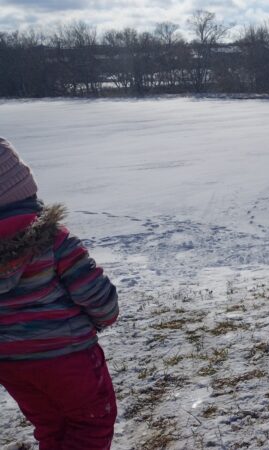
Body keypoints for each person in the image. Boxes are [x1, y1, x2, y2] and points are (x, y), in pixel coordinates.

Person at [0, 137, 119, 450]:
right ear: (22, 187)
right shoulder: (52, 239)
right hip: (67, 357)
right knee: (92, 423)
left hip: (10, 363)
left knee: (51, 424)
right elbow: (95, 293)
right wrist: (106, 316)